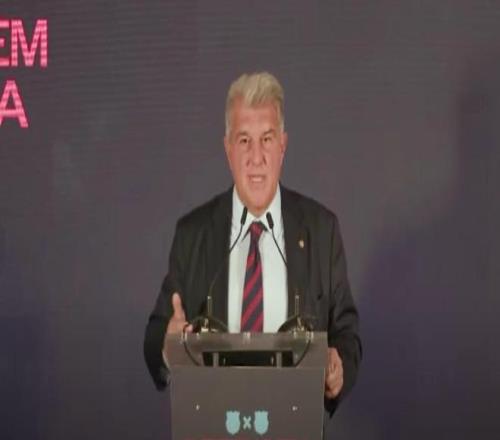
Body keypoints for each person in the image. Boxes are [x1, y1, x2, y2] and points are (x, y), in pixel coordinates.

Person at [144, 71, 361, 415]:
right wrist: (169, 348)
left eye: (267, 139)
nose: (256, 157)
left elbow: (346, 333)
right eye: (244, 140)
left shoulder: (321, 230)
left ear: (283, 146)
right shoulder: (193, 234)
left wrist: (339, 367)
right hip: (213, 426)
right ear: (228, 149)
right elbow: (157, 335)